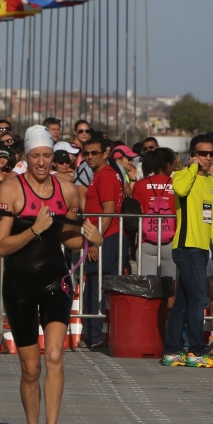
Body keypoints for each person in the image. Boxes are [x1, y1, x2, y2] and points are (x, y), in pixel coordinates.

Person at [0, 126, 103, 424]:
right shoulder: (10, 189)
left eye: (47, 156)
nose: (42, 162)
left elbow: (67, 239)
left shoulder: (68, 190)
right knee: (30, 369)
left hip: (57, 283)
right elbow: (1, 246)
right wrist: (35, 231)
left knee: (55, 356)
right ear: (26, 157)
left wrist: (89, 239)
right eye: (36, 156)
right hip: (19, 286)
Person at [161, 135, 213, 368]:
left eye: (211, 154)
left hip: (200, 248)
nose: (208, 158)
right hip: (186, 247)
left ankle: (172, 350)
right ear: (193, 155)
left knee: (184, 301)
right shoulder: (181, 176)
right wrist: (192, 167)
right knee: (199, 299)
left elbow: (212, 218)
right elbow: (179, 189)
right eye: (203, 154)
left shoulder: (210, 182)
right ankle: (196, 351)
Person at [81, 134, 128, 349]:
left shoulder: (105, 176)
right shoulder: (102, 174)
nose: (89, 157)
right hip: (108, 236)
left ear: (105, 153)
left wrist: (95, 241)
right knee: (97, 286)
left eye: (94, 153)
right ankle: (94, 335)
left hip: (106, 238)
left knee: (95, 286)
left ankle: (96, 336)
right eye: (86, 153)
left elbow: (109, 211)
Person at [131, 148, 177, 279]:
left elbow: (136, 214)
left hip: (146, 241)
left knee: (147, 287)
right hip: (171, 241)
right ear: (168, 164)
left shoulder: (140, 185)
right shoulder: (176, 184)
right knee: (170, 287)